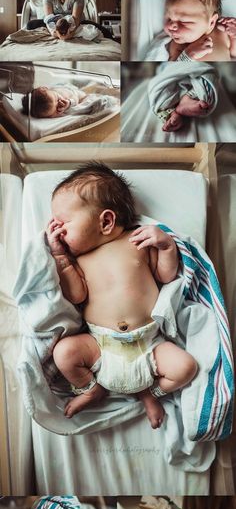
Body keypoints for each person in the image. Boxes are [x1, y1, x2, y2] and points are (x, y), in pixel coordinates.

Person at [45, 162, 197, 430]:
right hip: (101, 347)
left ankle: (149, 393)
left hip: (149, 345)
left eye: (64, 222)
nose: (57, 229)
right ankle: (91, 389)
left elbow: (166, 276)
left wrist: (166, 246)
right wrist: (61, 258)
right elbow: (76, 295)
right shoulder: (79, 260)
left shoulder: (137, 242)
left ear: (105, 221)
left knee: (186, 367)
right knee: (64, 352)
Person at [162, 0, 236, 62]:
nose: (171, 26)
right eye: (169, 19)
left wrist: (233, 36)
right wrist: (188, 54)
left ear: (211, 22)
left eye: (184, 21)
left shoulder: (222, 31)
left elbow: (233, 54)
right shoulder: (178, 44)